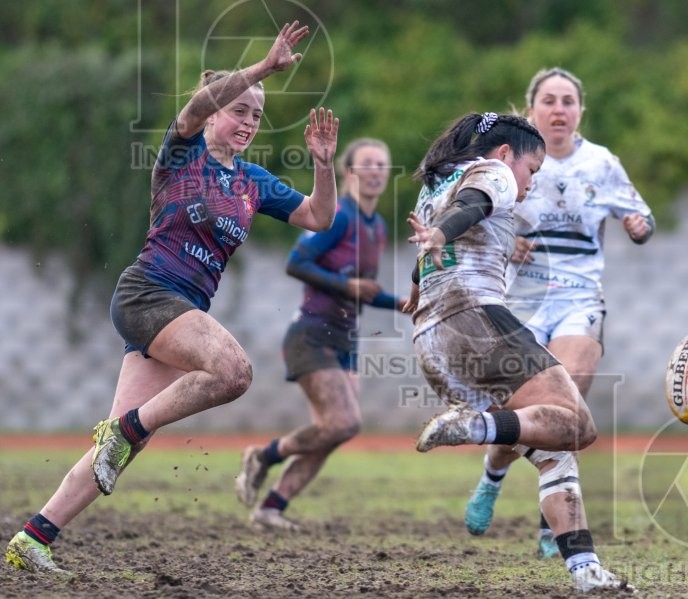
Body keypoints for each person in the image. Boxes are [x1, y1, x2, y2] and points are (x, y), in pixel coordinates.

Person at [4, 20, 339, 575]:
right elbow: (197, 106)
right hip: (148, 294)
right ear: (213, 111)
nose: (249, 121)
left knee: (119, 449)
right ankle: (126, 429)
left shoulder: (252, 182)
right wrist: (262, 69)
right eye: (239, 109)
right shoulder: (183, 153)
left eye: (257, 114)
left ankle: (32, 538)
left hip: (180, 314)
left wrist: (324, 164)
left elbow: (320, 217)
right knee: (234, 372)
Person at [403, 111, 631, 592]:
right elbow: (473, 205)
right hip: (476, 321)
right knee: (578, 424)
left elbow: (433, 242)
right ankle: (476, 427)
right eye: (533, 171)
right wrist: (445, 232)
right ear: (506, 154)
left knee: (554, 450)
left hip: (432, 342)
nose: (528, 185)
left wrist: (414, 282)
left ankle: (585, 570)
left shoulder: (433, 186)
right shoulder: (495, 171)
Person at [463, 68, 654, 559]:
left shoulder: (601, 163)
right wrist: (509, 241)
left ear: (580, 111)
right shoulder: (507, 165)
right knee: (523, 412)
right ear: (531, 110)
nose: (559, 110)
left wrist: (637, 224)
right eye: (549, 100)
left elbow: (643, 215)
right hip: (519, 302)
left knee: (566, 404)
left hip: (578, 299)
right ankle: (493, 476)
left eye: (568, 101)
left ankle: (553, 525)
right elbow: (474, 220)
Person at [234, 138, 406, 530]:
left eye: (382, 164)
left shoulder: (376, 227)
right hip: (310, 335)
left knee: (332, 432)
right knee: (344, 423)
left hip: (346, 339)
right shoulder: (339, 217)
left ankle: (271, 508)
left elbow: (363, 290)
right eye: (367, 163)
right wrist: (347, 288)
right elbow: (296, 263)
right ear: (349, 172)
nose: (376, 170)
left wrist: (401, 304)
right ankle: (265, 456)